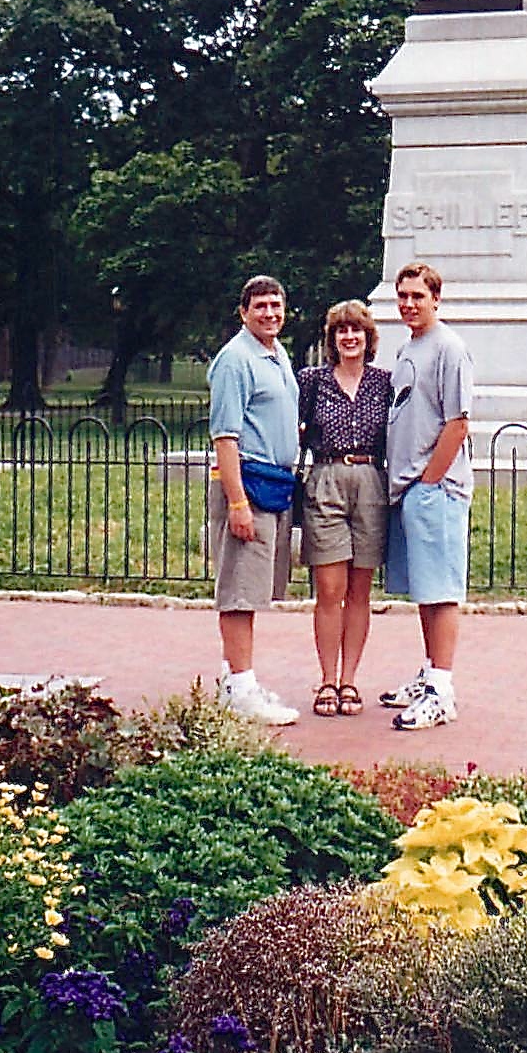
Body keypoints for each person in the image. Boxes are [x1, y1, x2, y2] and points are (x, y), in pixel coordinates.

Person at [379, 262, 474, 730]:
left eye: (418, 295)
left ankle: (442, 688)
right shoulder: (409, 348)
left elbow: (458, 423)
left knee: (442, 591)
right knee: (424, 589)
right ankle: (430, 672)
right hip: (407, 488)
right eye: (403, 296)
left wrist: (430, 481)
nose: (409, 304)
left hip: (433, 487)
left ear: (436, 298)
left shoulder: (449, 349)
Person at [208, 274, 301, 725]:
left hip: (275, 484)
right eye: (261, 305)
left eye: (276, 305)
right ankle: (241, 687)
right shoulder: (235, 360)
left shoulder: (277, 354)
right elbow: (225, 436)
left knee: (256, 588)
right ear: (243, 311)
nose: (270, 313)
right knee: (239, 590)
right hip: (248, 484)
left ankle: (236, 678)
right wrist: (236, 502)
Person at [296, 300, 393, 716]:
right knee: (330, 589)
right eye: (341, 331)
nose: (349, 337)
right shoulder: (313, 380)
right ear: (332, 338)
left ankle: (350, 679)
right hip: (327, 478)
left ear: (368, 338)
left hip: (370, 478)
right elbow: (294, 431)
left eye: (356, 330)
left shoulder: (383, 383)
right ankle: (326, 681)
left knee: (359, 590)